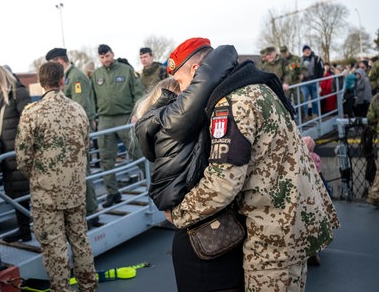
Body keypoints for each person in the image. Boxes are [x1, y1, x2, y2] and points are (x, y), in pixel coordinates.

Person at [139, 37, 340, 291]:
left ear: (196, 71)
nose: (186, 94)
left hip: (272, 235)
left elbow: (222, 183)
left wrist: (178, 214)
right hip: (295, 221)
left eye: (182, 83)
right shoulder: (256, 86)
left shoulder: (231, 103)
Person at [135, 43, 246, 292]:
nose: (189, 90)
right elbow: (206, 80)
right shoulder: (172, 122)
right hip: (203, 236)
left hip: (199, 231)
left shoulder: (165, 125)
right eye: (184, 86)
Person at [16, 61, 98, 292]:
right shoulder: (78, 110)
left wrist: (39, 176)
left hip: (46, 194)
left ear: (41, 83)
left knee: (55, 247)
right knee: (80, 242)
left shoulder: (32, 113)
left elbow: (22, 157)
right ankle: (89, 287)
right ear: (63, 81)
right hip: (75, 189)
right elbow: (86, 147)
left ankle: (62, 289)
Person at [46, 47, 100, 226]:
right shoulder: (69, 76)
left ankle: (92, 212)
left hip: (76, 132)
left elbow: (80, 106)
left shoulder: (75, 76)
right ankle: (87, 211)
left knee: (83, 171)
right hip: (70, 132)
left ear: (60, 62)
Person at [92, 44, 145, 208]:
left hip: (125, 117)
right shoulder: (96, 74)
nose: (105, 60)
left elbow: (138, 92)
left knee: (137, 151)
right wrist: (94, 117)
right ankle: (112, 192)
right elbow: (92, 97)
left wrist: (137, 112)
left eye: (107, 56)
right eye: (102, 57)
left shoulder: (125, 70)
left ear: (112, 54)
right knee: (106, 158)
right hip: (105, 119)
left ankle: (155, 181)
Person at [0, 64, 32, 242]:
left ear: (2, 77)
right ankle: (24, 230)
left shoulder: (18, 93)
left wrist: (24, 147)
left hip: (19, 152)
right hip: (5, 154)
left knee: (29, 193)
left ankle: (37, 229)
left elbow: (29, 120)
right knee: (16, 194)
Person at [366, 77, 379, 208]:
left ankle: (375, 193)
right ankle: (375, 193)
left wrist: (378, 130)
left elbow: (370, 119)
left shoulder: (377, 98)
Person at [300, 45, 325, 119]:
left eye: (308, 50)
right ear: (303, 52)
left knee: (315, 99)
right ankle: (305, 116)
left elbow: (322, 69)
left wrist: (319, 80)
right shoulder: (300, 60)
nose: (307, 52)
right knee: (304, 99)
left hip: (314, 82)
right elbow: (296, 70)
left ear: (310, 50)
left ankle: (315, 114)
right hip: (304, 83)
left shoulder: (317, 58)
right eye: (305, 51)